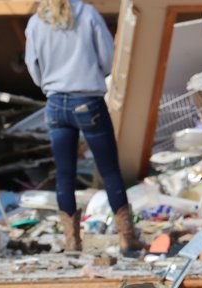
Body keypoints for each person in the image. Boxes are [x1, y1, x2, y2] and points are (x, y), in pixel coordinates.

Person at [24, 0, 144, 254]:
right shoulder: (87, 15)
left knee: (64, 174)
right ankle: (126, 238)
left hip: (56, 102)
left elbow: (32, 66)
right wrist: (92, 74)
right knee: (109, 170)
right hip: (88, 100)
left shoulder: (36, 22)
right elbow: (109, 57)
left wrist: (49, 84)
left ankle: (72, 242)